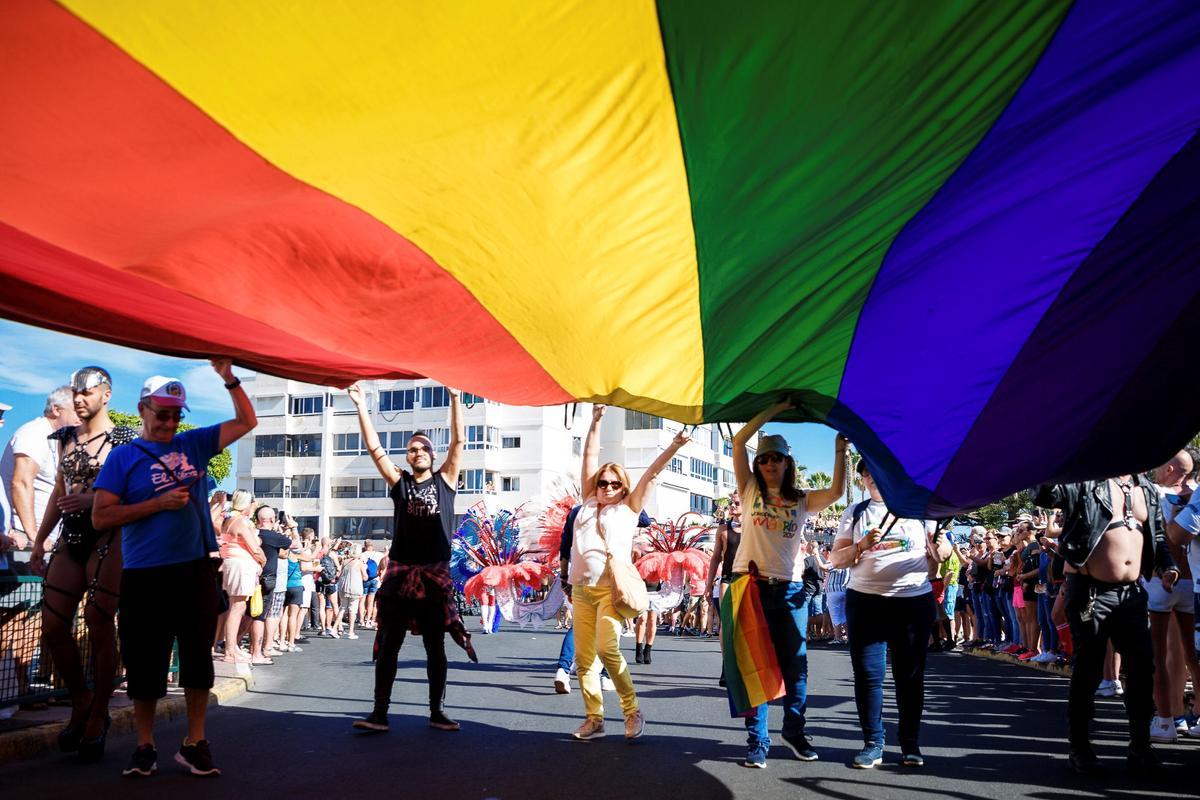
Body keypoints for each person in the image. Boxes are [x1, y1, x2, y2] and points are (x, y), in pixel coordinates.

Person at [92, 360, 256, 778]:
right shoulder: (123, 458)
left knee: (199, 660)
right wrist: (155, 505)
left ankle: (195, 742)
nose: (168, 422)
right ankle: (144, 746)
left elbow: (246, 420)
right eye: (161, 413)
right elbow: (100, 517)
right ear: (143, 408)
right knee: (146, 662)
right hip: (145, 574)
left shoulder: (195, 444)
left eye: (175, 415)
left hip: (196, 571)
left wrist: (228, 377)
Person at [1034, 469, 1178, 776]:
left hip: (1132, 592)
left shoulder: (1147, 489)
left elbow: (1158, 534)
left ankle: (1140, 748)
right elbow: (1046, 494)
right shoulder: (1086, 481)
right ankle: (1080, 748)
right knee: (1087, 668)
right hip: (1090, 592)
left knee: (1141, 668)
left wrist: (1167, 565)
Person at [347, 382, 472, 734]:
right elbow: (374, 449)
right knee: (389, 644)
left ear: (432, 455)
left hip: (433, 577)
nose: (417, 452)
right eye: (412, 449)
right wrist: (360, 406)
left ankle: (437, 712)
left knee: (436, 647)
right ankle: (379, 713)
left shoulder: (446, 481)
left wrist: (454, 397)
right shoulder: (400, 483)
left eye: (423, 448)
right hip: (400, 576)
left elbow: (459, 442)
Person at [729, 401, 847, 768]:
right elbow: (738, 441)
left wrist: (840, 449)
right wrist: (774, 408)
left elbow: (837, 492)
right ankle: (757, 741)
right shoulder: (748, 490)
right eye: (764, 459)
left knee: (796, 666)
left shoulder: (801, 499)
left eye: (776, 458)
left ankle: (793, 731)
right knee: (755, 665)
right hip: (750, 586)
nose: (769, 464)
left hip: (791, 591)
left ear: (786, 463)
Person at [561, 404, 686, 742]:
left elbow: (652, 474)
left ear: (623, 487)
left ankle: (632, 711)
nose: (607, 487)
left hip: (609, 591)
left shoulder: (629, 508)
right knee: (585, 660)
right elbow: (588, 455)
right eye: (602, 482)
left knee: (607, 649)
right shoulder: (587, 502)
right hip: (581, 591)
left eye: (614, 483)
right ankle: (594, 718)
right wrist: (596, 420)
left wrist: (674, 446)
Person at [27, 369, 133, 761]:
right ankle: (81, 699)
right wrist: (40, 540)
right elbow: (59, 489)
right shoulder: (65, 438)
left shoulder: (126, 441)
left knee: (100, 623)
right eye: (74, 392)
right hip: (69, 539)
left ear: (105, 394)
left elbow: (135, 494)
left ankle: (99, 712)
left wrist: (93, 502)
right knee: (54, 625)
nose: (78, 399)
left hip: (109, 538)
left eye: (86, 392)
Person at [829, 459, 950, 769]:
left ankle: (910, 743)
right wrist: (859, 545)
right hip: (865, 603)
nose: (870, 476)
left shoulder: (921, 508)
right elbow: (837, 559)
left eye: (874, 468)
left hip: (912, 602)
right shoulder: (854, 513)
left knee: (909, 677)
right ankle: (873, 743)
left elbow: (943, 552)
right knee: (869, 677)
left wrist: (940, 547)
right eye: (865, 471)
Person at [1, 385, 77, 550]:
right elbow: (21, 483)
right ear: (56, 410)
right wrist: (35, 535)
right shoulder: (34, 433)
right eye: (76, 409)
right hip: (24, 539)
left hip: (46, 537)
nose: (82, 417)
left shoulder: (58, 440)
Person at [217, 490, 265, 663]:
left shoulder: (230, 520)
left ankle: (231, 648)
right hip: (240, 565)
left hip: (233, 564)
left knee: (237, 607)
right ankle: (230, 651)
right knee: (237, 607)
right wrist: (263, 560)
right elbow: (255, 548)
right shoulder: (239, 523)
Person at [251, 505, 293, 662]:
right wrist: (293, 527)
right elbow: (295, 545)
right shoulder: (272, 536)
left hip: (252, 576)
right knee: (259, 616)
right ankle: (256, 653)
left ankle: (239, 647)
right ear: (272, 520)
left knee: (247, 615)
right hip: (267, 579)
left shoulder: (253, 534)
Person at [338, 542, 367, 640]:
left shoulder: (345, 561)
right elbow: (365, 577)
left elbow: (340, 574)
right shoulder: (359, 563)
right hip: (355, 588)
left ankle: (335, 627)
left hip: (344, 587)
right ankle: (350, 631)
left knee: (342, 608)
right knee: (352, 610)